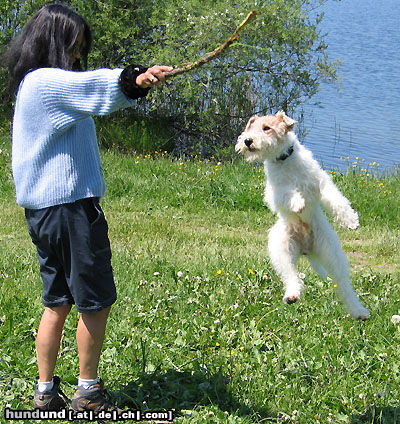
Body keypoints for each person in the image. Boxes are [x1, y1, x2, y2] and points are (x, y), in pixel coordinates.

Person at [4, 3, 172, 412]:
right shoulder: (49, 82)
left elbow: (90, 91)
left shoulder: (32, 84)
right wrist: (134, 79)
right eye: (74, 46)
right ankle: (89, 393)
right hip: (71, 210)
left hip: (43, 213)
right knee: (95, 300)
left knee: (57, 301)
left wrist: (129, 83)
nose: (79, 55)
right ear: (55, 43)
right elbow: (98, 88)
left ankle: (45, 394)